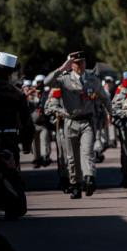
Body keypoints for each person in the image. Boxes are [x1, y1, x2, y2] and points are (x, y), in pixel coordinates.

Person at [45, 50, 114, 200]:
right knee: (72, 157)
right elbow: (47, 82)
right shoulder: (64, 79)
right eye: (76, 63)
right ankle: (75, 185)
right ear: (71, 65)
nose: (80, 65)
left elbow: (104, 97)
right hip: (70, 122)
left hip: (87, 122)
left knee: (88, 152)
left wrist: (110, 113)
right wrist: (62, 68)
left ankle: (90, 178)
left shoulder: (92, 79)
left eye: (82, 62)